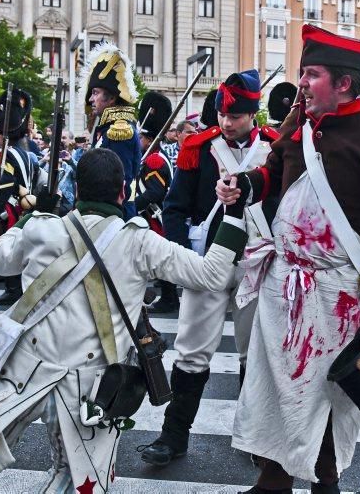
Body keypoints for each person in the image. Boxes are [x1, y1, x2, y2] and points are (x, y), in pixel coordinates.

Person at [0, 147, 251, 493]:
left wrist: (27, 218)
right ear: (123, 192)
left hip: (23, 370)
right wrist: (233, 214)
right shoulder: (142, 242)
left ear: (78, 191)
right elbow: (213, 274)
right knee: (76, 479)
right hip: (90, 390)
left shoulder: (41, 229)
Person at [216, 25, 360, 493]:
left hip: (338, 290)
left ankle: (324, 481)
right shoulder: (301, 121)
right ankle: (273, 478)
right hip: (284, 282)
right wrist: (242, 186)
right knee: (273, 386)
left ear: (344, 82)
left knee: (329, 393)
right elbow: (273, 171)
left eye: (311, 74)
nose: (302, 83)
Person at [140, 69, 278, 467]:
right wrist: (185, 254)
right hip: (207, 264)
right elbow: (175, 207)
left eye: (234, 116)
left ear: (253, 114)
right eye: (221, 114)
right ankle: (173, 436)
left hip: (258, 262)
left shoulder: (273, 148)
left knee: (254, 354)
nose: (225, 122)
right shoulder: (198, 149)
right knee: (192, 350)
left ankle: (255, 438)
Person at [0, 88, 36, 306]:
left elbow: (5, 183)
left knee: (11, 249)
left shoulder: (11, 153)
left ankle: (13, 289)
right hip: (23, 205)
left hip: (12, 208)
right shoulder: (25, 152)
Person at [83, 41, 141, 219]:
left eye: (96, 93)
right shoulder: (106, 128)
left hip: (116, 215)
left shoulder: (119, 131)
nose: (91, 99)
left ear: (112, 97)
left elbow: (119, 183)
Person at [134, 91, 179, 313]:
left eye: (140, 138)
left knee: (159, 260)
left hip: (154, 217)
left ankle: (170, 299)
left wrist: (134, 206)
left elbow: (154, 193)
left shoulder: (153, 160)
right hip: (151, 217)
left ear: (150, 140)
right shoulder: (150, 158)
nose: (137, 140)